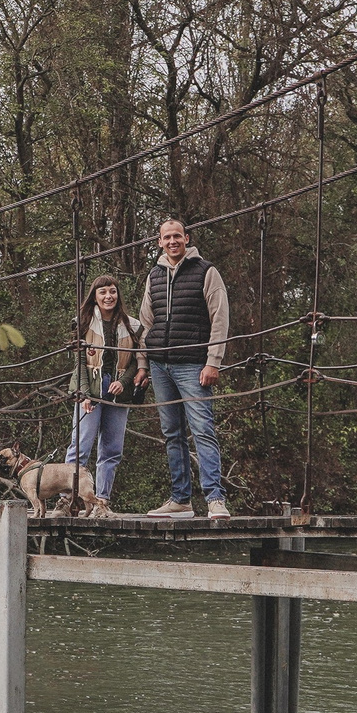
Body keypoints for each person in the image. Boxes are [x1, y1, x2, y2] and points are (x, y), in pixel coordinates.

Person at [137, 218, 231, 518]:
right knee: (171, 432)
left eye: (177, 236)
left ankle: (215, 498)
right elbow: (146, 323)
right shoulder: (154, 275)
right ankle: (181, 499)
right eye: (167, 237)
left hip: (194, 364)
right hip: (160, 366)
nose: (172, 241)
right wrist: (143, 363)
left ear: (187, 238)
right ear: (159, 242)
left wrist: (212, 362)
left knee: (202, 429)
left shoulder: (206, 271)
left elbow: (220, 319)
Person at [65, 272, 144, 504]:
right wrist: (84, 394)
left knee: (112, 449)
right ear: (95, 296)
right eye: (103, 292)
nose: (108, 296)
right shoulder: (82, 321)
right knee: (80, 445)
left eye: (112, 291)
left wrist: (124, 381)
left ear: (118, 295)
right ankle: (68, 498)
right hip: (90, 386)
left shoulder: (132, 325)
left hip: (118, 389)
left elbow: (135, 361)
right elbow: (78, 363)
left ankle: (102, 499)